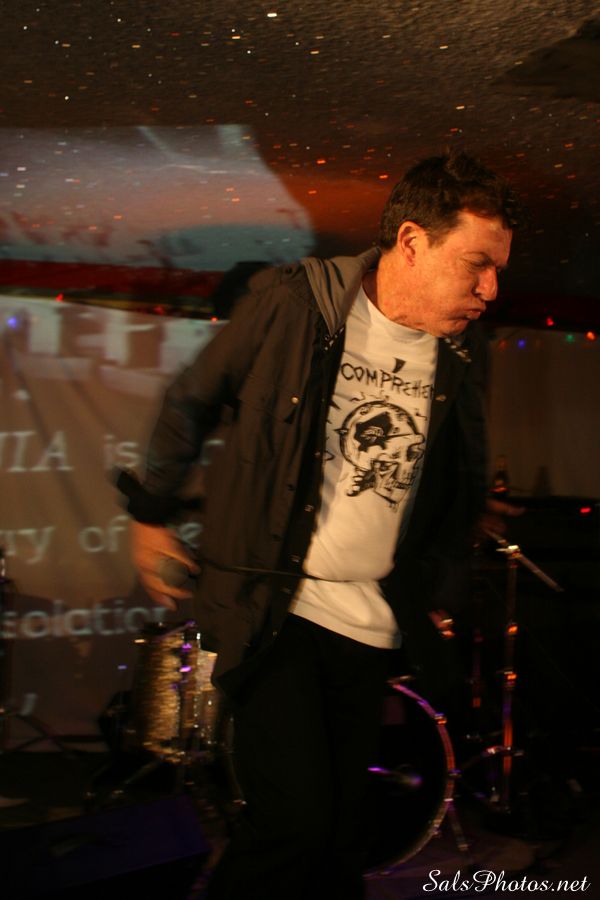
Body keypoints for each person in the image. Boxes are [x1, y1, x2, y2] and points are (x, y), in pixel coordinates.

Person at [123, 151, 522, 899]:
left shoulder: (463, 352)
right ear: (412, 242)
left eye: (497, 270)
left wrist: (439, 584)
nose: (490, 289)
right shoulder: (294, 303)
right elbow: (191, 399)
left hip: (369, 621)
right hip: (275, 607)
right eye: (477, 265)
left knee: (342, 837)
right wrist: (150, 513)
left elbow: (463, 481)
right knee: (293, 826)